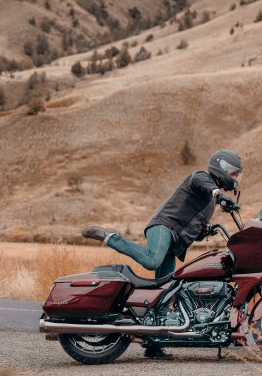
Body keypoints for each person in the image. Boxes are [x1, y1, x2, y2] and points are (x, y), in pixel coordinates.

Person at [82, 150, 243, 359]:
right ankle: (110, 237)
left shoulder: (209, 202)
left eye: (236, 174)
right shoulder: (202, 178)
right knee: (152, 259)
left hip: (174, 240)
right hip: (163, 227)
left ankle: (153, 345)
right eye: (232, 172)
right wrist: (218, 194)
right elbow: (200, 182)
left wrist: (206, 229)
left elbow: (192, 218)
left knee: (165, 291)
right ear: (220, 168)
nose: (234, 178)